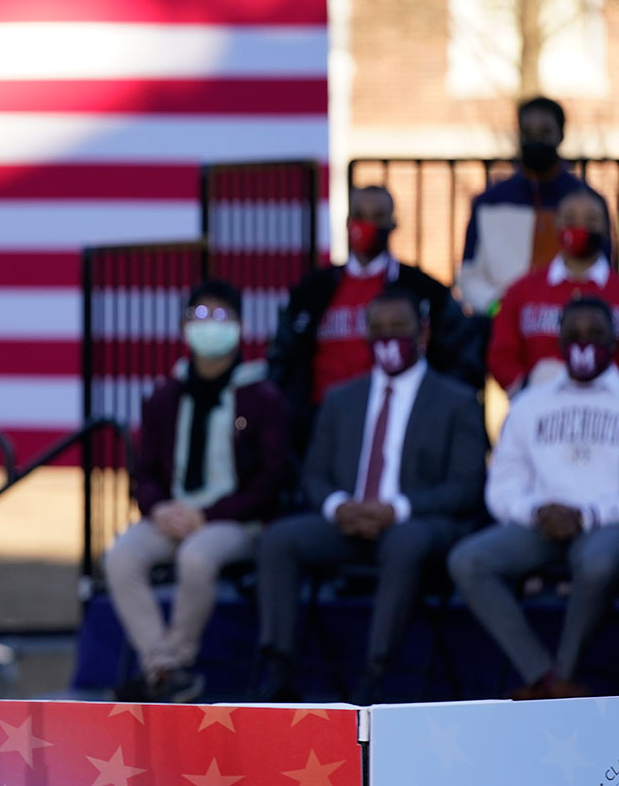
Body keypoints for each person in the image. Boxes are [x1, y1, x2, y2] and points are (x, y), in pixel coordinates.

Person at [254, 287, 488, 704]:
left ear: (424, 333)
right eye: (378, 329)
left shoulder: (457, 400)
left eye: (399, 327)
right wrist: (338, 506)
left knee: (404, 541)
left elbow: (467, 487)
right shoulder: (341, 398)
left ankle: (375, 677)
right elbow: (314, 475)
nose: (388, 337)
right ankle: (278, 671)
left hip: (417, 525)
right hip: (349, 522)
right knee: (278, 540)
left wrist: (395, 509)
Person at [104, 279, 290, 703]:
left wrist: (209, 515)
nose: (209, 327)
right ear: (185, 327)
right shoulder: (165, 397)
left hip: (236, 520)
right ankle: (164, 667)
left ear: (240, 326)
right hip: (173, 514)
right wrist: (158, 508)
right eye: (200, 317)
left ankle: (176, 662)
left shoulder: (261, 397)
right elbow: (144, 471)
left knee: (197, 557)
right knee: (121, 556)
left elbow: (272, 479)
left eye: (220, 317)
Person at [448, 297, 619, 700]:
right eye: (573, 334)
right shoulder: (530, 403)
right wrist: (536, 510)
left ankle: (566, 672)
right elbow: (503, 484)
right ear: (557, 339)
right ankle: (543, 676)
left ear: (613, 338)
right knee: (468, 560)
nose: (583, 343)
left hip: (607, 524)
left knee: (599, 563)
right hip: (542, 524)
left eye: (595, 334)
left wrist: (590, 515)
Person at [267, 185, 483, 452]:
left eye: (377, 216)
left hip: (403, 426)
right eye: (360, 215)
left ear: (393, 224)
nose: (367, 224)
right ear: (347, 223)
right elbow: (283, 358)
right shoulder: (312, 292)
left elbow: (461, 356)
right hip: (322, 426)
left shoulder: (425, 291)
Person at [458, 96, 600, 316]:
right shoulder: (489, 202)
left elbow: (603, 269)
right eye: (528, 133)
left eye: (545, 133)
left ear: (561, 135)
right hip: (502, 324)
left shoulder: (587, 202)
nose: (535, 140)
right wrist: (499, 308)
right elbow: (469, 275)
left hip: (570, 324)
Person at [488, 188, 619, 394]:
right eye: (570, 219)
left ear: (605, 227)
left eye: (591, 220)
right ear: (556, 223)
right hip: (540, 410)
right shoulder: (522, 290)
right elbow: (501, 355)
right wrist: (527, 389)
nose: (580, 227)